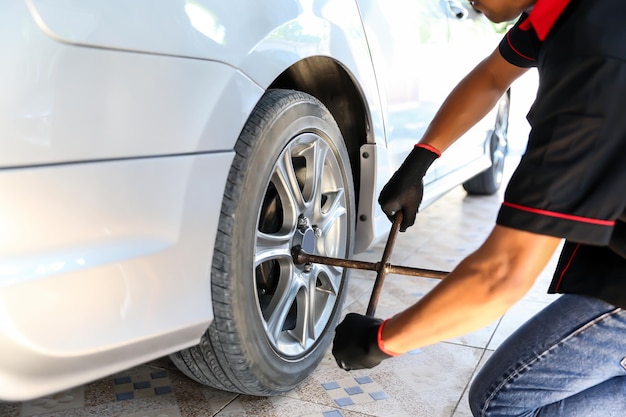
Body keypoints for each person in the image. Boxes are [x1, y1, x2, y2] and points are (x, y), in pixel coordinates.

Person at [332, 0, 626, 415]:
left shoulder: (594, 63)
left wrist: (381, 341)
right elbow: (491, 76)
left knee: (501, 401)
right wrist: (421, 159)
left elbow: (501, 275)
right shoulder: (565, 13)